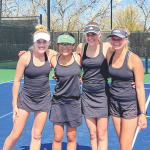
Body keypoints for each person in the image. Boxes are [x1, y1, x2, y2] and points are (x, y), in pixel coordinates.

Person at [2, 25, 57, 150]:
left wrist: (56, 73)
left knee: (37, 136)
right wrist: (14, 105)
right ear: (34, 42)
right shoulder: (25, 57)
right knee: (16, 135)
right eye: (39, 41)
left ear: (49, 42)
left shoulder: (52, 54)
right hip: (25, 99)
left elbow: (66, 58)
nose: (41, 44)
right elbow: (16, 81)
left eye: (44, 42)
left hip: (43, 100)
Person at [107, 27, 147, 150]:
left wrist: (143, 113)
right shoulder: (109, 55)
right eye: (114, 38)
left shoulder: (134, 59)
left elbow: (140, 87)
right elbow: (109, 74)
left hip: (130, 105)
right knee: (122, 143)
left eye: (119, 38)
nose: (116, 41)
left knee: (125, 146)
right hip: (113, 103)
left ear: (126, 40)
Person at [76, 22, 111, 150]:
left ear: (99, 34)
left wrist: (133, 77)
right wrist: (30, 53)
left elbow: (122, 56)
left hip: (103, 95)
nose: (90, 37)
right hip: (87, 95)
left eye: (93, 34)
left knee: (101, 135)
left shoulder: (106, 46)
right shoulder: (81, 47)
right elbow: (69, 59)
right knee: (92, 134)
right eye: (88, 34)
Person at [49, 32, 82, 150]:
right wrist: (25, 53)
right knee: (57, 138)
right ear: (58, 45)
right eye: (62, 44)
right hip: (58, 103)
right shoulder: (54, 59)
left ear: (73, 46)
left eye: (68, 44)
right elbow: (43, 51)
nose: (65, 47)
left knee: (71, 137)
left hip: (74, 103)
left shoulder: (78, 57)